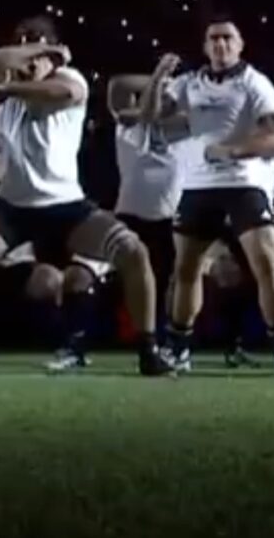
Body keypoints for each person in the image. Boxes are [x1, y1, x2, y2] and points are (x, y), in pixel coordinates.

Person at [0, 17, 170, 375]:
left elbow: (63, 94)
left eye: (38, 46)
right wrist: (37, 53)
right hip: (12, 209)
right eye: (22, 45)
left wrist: (15, 88)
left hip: (66, 205)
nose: (29, 56)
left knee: (134, 252)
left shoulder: (65, 78)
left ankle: (148, 349)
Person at [152, 18, 274, 375]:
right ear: (205, 46)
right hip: (198, 186)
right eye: (213, 38)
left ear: (240, 44)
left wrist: (233, 151)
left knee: (265, 266)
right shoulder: (189, 83)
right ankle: (180, 349)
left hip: (244, 184)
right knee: (185, 271)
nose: (220, 45)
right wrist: (158, 78)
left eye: (227, 38)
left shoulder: (254, 82)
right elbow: (153, 118)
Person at [106, 69, 188, 359]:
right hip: (130, 215)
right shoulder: (131, 124)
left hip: (169, 218)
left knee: (167, 283)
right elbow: (119, 83)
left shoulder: (184, 131)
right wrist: (160, 78)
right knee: (113, 281)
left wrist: (174, 87)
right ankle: (81, 345)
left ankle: (165, 343)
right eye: (161, 93)